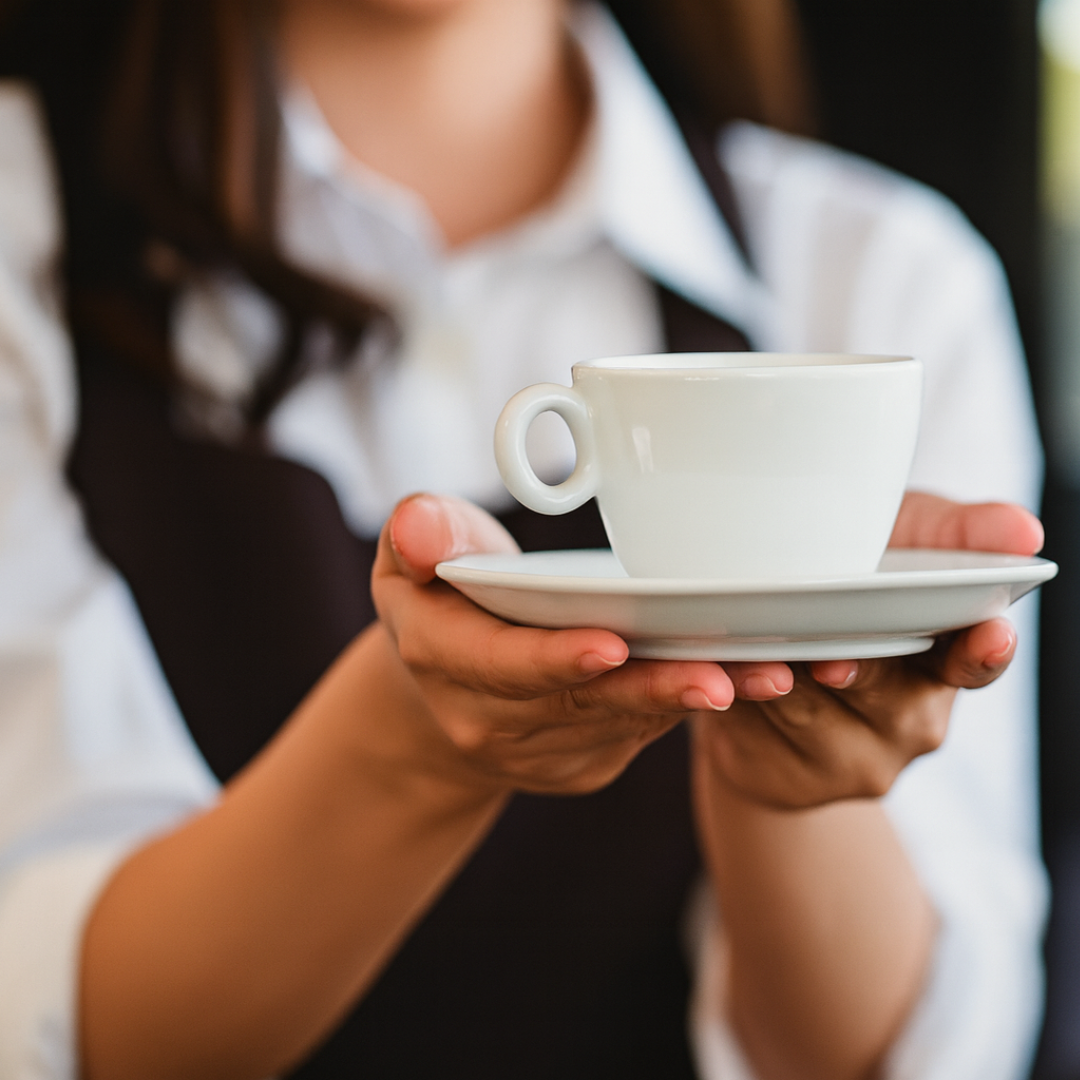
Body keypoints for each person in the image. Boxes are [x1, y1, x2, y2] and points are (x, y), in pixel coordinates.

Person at [0, 0, 1047, 1078]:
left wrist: (789, 775)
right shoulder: (18, 225)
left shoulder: (882, 275)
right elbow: (35, 1015)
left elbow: (929, 1055)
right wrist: (408, 748)